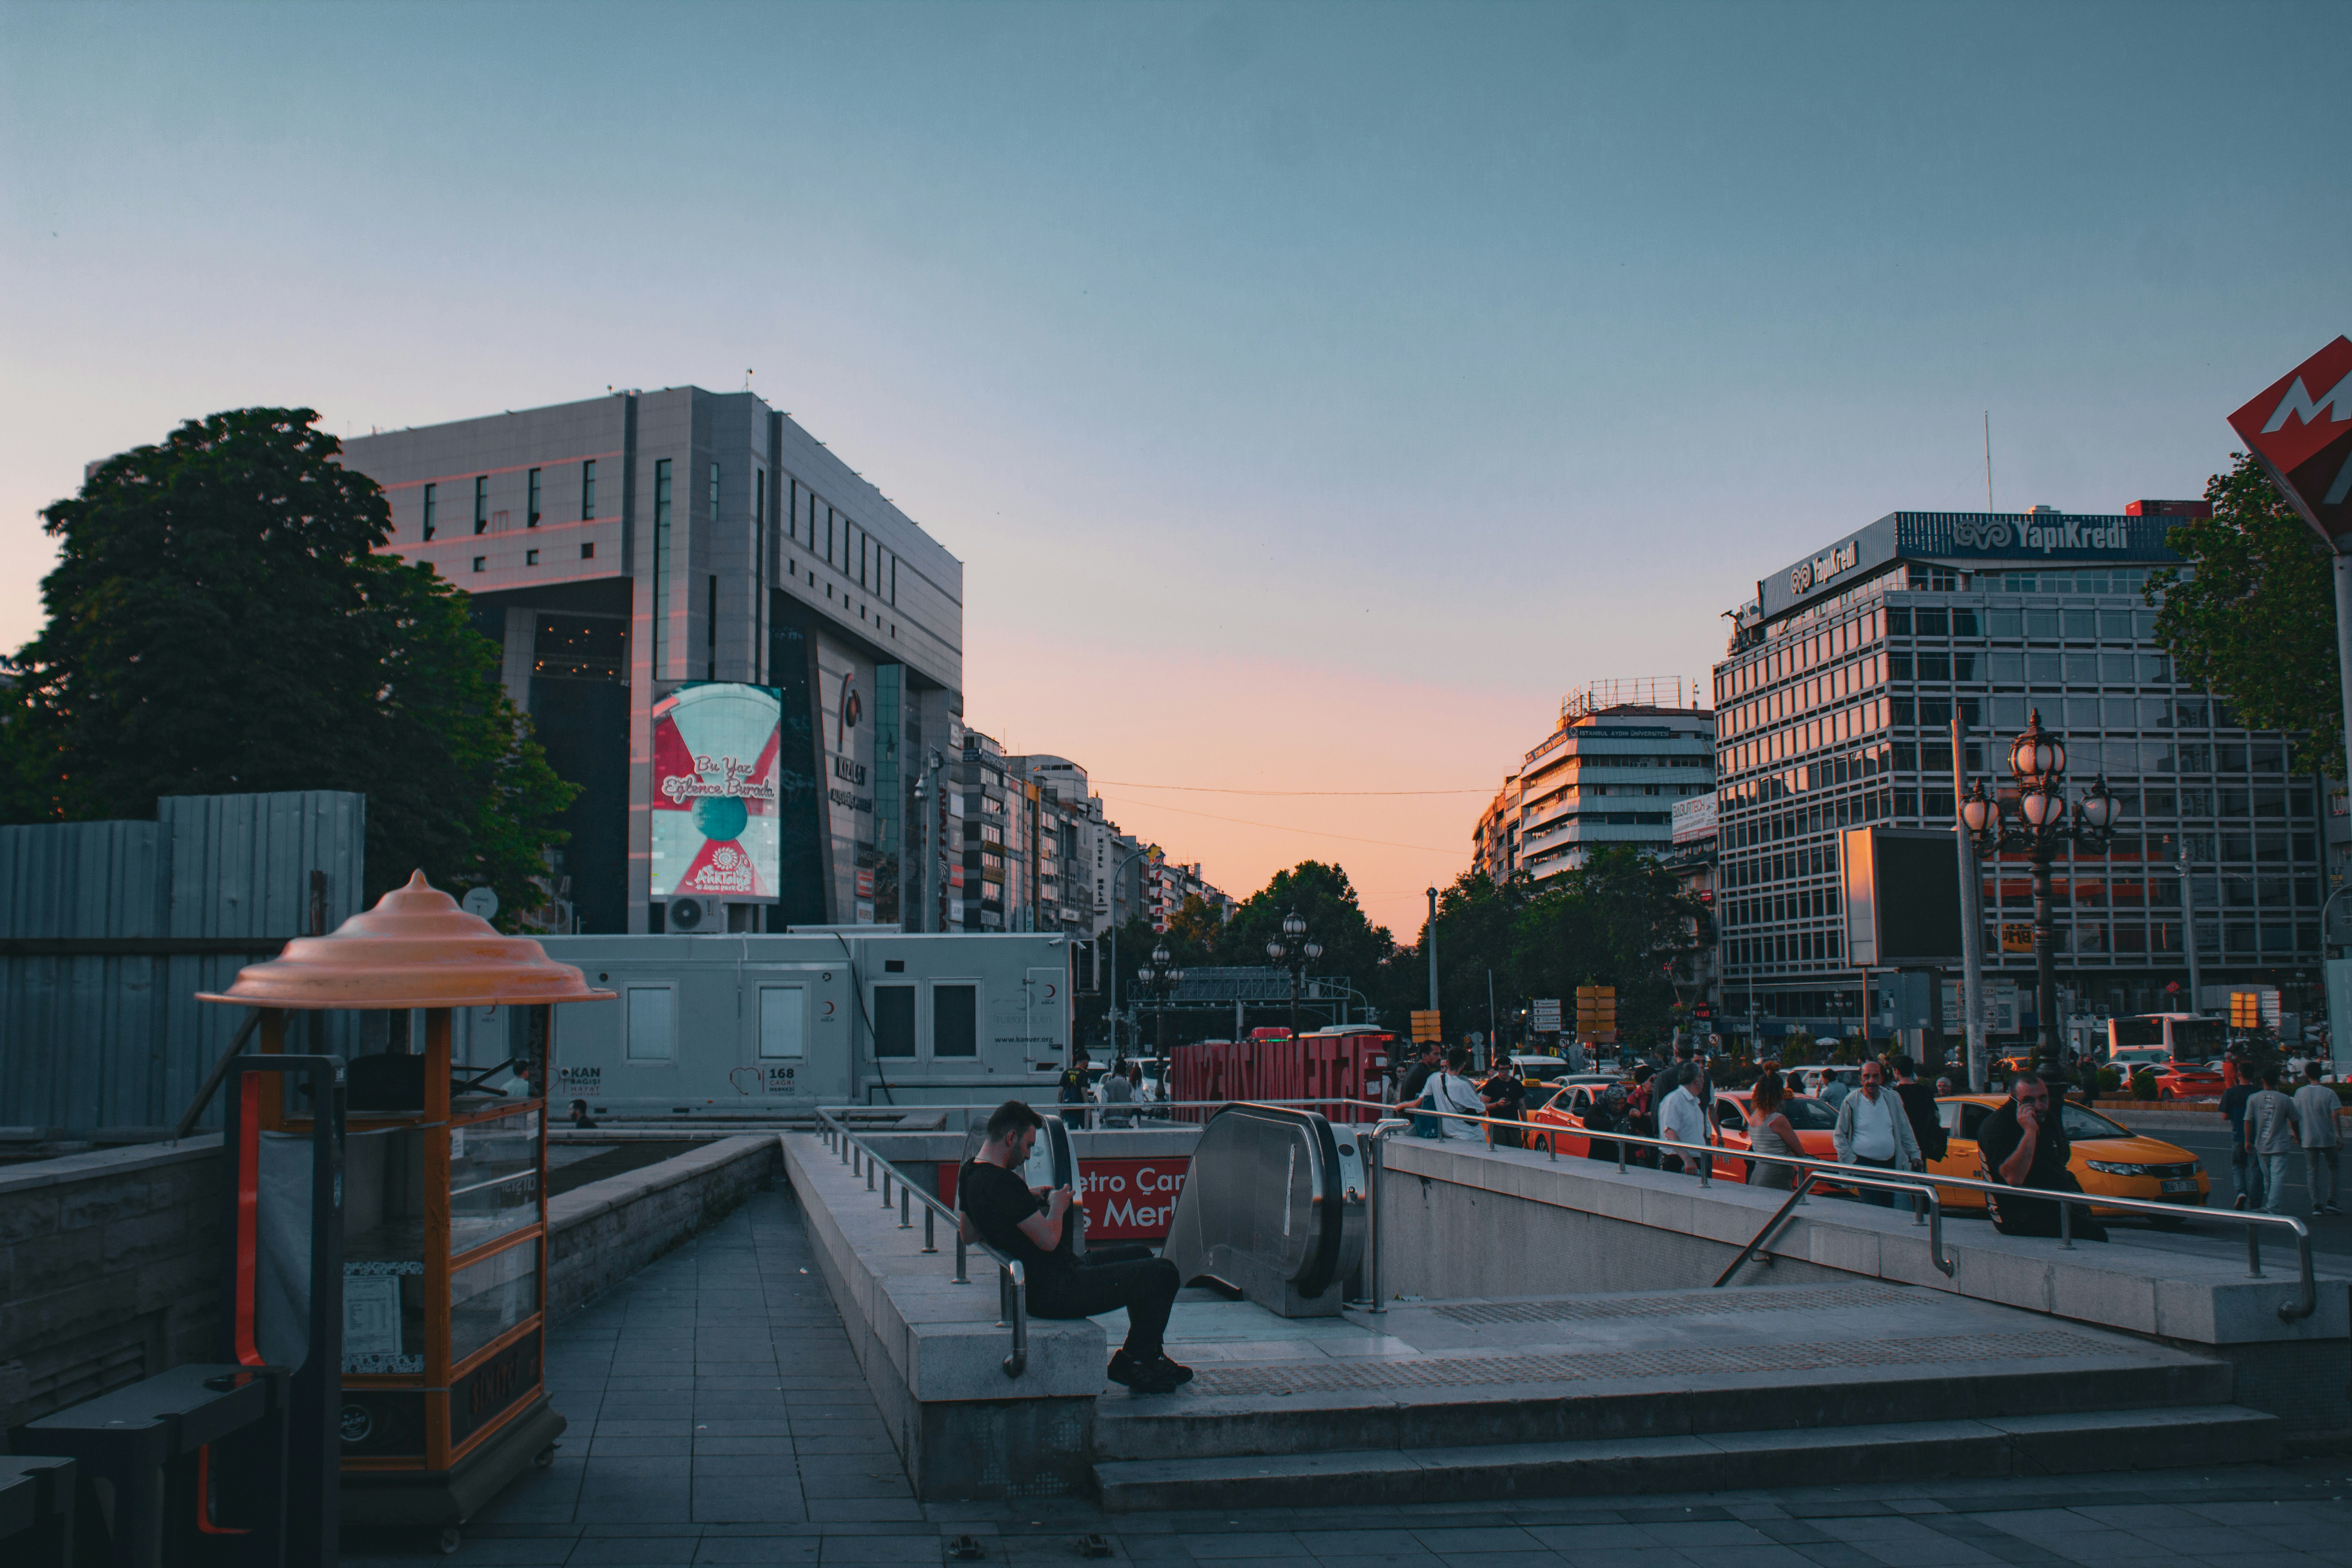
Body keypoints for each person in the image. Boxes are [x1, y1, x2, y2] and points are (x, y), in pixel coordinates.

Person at [959, 1100, 1186, 1393]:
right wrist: (1058, 1205)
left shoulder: (970, 1173)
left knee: (1142, 1254)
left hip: (1054, 1277)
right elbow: (1049, 1239)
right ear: (1011, 1138)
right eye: (1028, 1146)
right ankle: (1131, 1360)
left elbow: (967, 1233)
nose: (1028, 1156)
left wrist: (1023, 1200)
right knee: (1164, 1273)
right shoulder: (1004, 1184)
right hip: (1057, 1291)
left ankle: (1149, 1356)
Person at [1975, 1071, 2106, 1240]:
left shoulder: (2046, 1117)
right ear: (2014, 1100)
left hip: (2054, 1203)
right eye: (2028, 1101)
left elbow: (2060, 1156)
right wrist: (2029, 1132)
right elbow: (2014, 1177)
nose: (2038, 1106)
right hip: (2019, 1214)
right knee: (2096, 1235)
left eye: (2043, 1098)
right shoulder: (1997, 1126)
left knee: (2092, 1229)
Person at [1831, 1059, 1923, 1206]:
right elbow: (1839, 1135)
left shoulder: (1892, 1099)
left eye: (1875, 1076)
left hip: (1888, 1163)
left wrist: (1915, 1154)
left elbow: (1905, 1129)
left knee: (1887, 1206)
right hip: (1863, 1164)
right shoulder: (1851, 1101)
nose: (1871, 1081)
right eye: (1867, 1076)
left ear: (1882, 1078)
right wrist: (1850, 1159)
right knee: (1873, 1206)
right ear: (1861, 1079)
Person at [2244, 1066, 2300, 1217]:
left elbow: (2248, 1121)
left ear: (2263, 1081)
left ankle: (2271, 1205)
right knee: (2277, 1177)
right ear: (2276, 1081)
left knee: (2268, 1177)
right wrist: (2298, 1136)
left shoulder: (2254, 1098)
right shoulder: (2285, 1099)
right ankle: (2272, 1207)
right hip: (2280, 1144)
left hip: (2261, 1144)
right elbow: (2295, 1120)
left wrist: (2248, 1141)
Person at [2293, 1061, 2343, 1217]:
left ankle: (2316, 1205)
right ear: (2321, 1074)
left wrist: (2297, 1136)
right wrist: (2339, 1136)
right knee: (2333, 1168)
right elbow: (2335, 1115)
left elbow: (2294, 1116)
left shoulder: (2300, 1093)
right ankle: (2332, 1202)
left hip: (2308, 1137)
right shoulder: (2329, 1093)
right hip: (2327, 1137)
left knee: (2312, 1171)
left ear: (2307, 1075)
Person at [1744, 1068, 1804, 1191]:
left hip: (1758, 1172)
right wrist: (1789, 1154)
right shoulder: (1777, 1120)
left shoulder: (1754, 1117)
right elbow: (1800, 1152)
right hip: (1777, 1175)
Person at [1889, 1054, 1950, 1176]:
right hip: (1923, 1142)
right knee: (1921, 1175)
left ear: (1897, 1071)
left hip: (1901, 1144)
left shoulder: (1894, 1094)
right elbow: (1936, 1115)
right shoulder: (1925, 1091)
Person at [2220, 1055, 2265, 1211]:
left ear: (2238, 1074)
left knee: (2238, 1167)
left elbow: (2225, 1116)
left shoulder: (2230, 1093)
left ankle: (2241, 1192)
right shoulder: (2259, 1093)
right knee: (2256, 1169)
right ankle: (2256, 1202)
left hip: (2238, 1135)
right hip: (2256, 1137)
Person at [1420, 1047, 1488, 1142]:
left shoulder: (1434, 1079)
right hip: (1471, 1136)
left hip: (1448, 1136)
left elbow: (1419, 1101)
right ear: (1464, 1064)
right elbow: (1482, 1111)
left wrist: (1402, 1105)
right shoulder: (1463, 1085)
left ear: (1447, 1062)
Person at [1656, 1063, 1713, 1177]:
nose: (1704, 1081)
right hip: (1678, 1162)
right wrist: (1687, 1159)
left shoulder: (1694, 1102)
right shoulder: (1674, 1101)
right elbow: (1670, 1133)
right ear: (1696, 1080)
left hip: (1695, 1161)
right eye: (1702, 1077)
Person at [1480, 1055, 1527, 1149]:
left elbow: (1522, 1105)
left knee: (1517, 1152)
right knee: (1500, 1152)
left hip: (1514, 1126)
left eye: (1507, 1069)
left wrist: (1526, 1126)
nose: (1505, 1072)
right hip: (1497, 1126)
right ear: (1497, 1069)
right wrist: (1497, 1104)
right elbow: (1483, 1106)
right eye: (1502, 1069)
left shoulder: (1516, 1084)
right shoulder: (1491, 1085)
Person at [1400, 1043, 1442, 1136]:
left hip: (1408, 1123)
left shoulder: (1415, 1069)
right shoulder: (1425, 1074)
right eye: (1436, 1054)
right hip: (1416, 1126)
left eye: (1440, 1054)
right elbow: (1419, 1103)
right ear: (1424, 1056)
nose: (1439, 1058)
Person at [1583, 1083, 1628, 1166]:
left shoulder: (1628, 1108)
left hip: (1624, 1157)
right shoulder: (1597, 1108)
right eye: (1616, 1104)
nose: (1619, 1107)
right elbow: (1588, 1121)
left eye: (1622, 1103)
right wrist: (1613, 1123)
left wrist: (1639, 1116)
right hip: (1602, 1155)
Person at [1058, 1049, 1093, 1130]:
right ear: (1085, 1062)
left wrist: (1060, 1109)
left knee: (1073, 1132)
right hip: (1081, 1109)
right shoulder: (1084, 1074)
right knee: (1087, 1131)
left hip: (1069, 1108)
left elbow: (1060, 1092)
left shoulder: (1066, 1073)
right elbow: (1084, 1092)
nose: (1088, 1065)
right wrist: (1088, 1110)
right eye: (1088, 1063)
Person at [1100, 1056, 1137, 1127]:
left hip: (1110, 1119)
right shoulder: (1129, 1086)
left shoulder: (1107, 1085)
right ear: (1125, 1072)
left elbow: (1104, 1103)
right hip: (1125, 1119)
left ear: (1115, 1071)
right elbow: (1132, 1102)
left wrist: (1101, 1117)